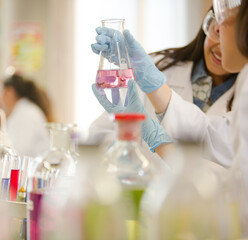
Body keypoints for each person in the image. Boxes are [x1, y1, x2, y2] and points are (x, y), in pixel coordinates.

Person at [90, 6, 242, 167]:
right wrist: (127, 153)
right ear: (207, 26)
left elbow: (215, 143)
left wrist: (152, 134)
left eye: (237, 39)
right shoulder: (153, 66)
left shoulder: (243, 95)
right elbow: (99, 135)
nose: (221, 47)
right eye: (217, 32)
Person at [0, 74, 53, 157]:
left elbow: (19, 150)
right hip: (30, 166)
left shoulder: (26, 113)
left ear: (10, 92)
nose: (0, 98)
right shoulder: (21, 111)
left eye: (1, 92)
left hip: (35, 167)